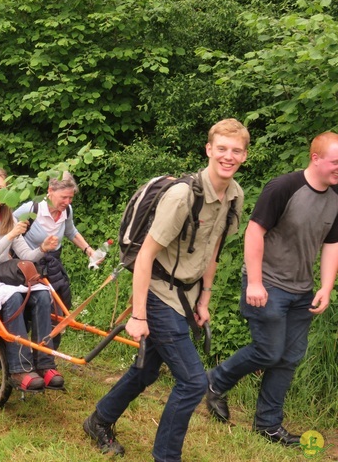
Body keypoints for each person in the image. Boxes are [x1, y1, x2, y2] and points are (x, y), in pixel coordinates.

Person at [83, 118, 249, 461]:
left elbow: (213, 251)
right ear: (209, 150)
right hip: (159, 294)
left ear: (245, 155)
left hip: (187, 297)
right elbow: (145, 257)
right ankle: (166, 457)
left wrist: (204, 299)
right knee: (193, 383)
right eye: (222, 149)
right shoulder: (182, 196)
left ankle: (99, 420)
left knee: (145, 371)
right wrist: (139, 315)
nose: (228, 156)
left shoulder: (234, 196)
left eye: (236, 150)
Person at [205, 132, 338, 446]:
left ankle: (268, 426)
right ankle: (214, 382)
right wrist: (254, 281)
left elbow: (332, 243)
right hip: (267, 285)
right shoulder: (283, 187)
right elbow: (254, 233)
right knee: (268, 350)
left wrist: (326, 287)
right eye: (336, 162)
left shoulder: (336, 196)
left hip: (302, 290)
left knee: (289, 357)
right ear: (316, 159)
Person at [0, 167, 63, 391]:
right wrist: (11, 235)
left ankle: (45, 363)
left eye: (0, 188)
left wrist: (43, 248)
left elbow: (26, 255)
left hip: (3, 276)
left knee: (43, 295)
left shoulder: (10, 217)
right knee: (14, 298)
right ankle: (19, 368)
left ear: (8, 191)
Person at [14, 171, 96, 310]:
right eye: (64, 197)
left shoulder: (67, 210)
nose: (67, 202)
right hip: (29, 266)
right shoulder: (31, 209)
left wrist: (89, 250)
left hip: (53, 264)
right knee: (34, 306)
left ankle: (54, 331)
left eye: (71, 198)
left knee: (59, 305)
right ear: (50, 191)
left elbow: (71, 232)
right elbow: (7, 231)